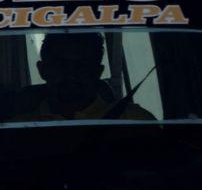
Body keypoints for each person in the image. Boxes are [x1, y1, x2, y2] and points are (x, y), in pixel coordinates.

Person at [15, 32, 156, 122]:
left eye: (82, 66)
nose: (71, 74)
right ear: (43, 70)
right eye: (61, 65)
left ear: (98, 72)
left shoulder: (136, 122)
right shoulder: (14, 131)